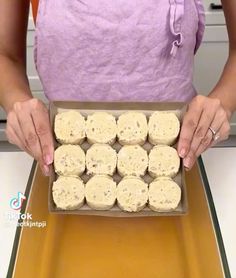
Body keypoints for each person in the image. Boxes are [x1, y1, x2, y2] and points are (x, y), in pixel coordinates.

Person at [0, 0, 235, 176]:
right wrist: (17, 102)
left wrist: (222, 104)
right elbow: (5, 55)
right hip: (62, 164)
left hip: (177, 163)